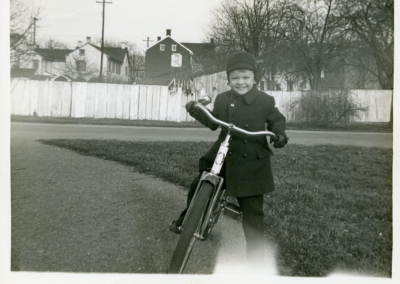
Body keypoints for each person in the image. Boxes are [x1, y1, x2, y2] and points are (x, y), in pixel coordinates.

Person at [170, 51, 288, 265]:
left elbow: (277, 119)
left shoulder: (265, 100)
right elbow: (213, 122)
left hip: (252, 159)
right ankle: (187, 219)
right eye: (235, 78)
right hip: (224, 152)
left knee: (252, 214)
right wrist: (196, 111)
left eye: (245, 77)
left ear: (254, 78)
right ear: (228, 79)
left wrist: (278, 134)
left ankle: (256, 261)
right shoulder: (224, 99)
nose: (240, 82)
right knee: (199, 185)